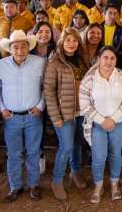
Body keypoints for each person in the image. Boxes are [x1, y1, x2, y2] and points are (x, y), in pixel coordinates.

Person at [79, 46, 122, 203]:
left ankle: (115, 183)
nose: (109, 61)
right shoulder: (89, 78)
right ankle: (98, 186)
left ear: (116, 60)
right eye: (105, 57)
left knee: (115, 153)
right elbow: (84, 105)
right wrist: (103, 120)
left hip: (119, 121)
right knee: (99, 156)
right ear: (99, 59)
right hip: (97, 124)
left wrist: (114, 119)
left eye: (112, 58)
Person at [0, 30, 45, 202]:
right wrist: (2, 108)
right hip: (11, 117)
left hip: (33, 116)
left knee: (33, 152)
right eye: (15, 47)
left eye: (23, 46)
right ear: (10, 49)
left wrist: (41, 106)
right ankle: (15, 186)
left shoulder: (40, 62)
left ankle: (34, 185)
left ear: (28, 47)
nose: (20, 50)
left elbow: (46, 86)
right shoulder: (1, 65)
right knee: (14, 153)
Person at [44, 27, 91, 200]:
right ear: (61, 42)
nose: (71, 44)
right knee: (66, 146)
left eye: (74, 40)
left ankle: (75, 171)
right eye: (68, 40)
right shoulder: (55, 62)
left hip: (81, 110)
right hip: (64, 113)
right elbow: (48, 91)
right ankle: (57, 181)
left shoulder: (83, 60)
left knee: (78, 143)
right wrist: (55, 117)